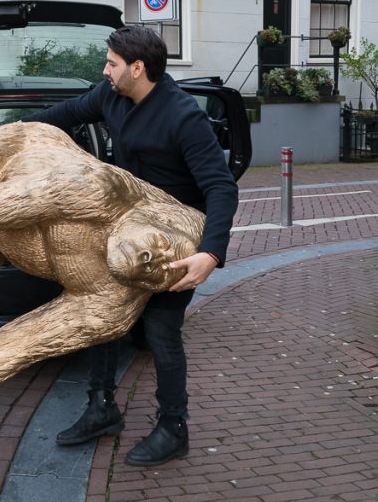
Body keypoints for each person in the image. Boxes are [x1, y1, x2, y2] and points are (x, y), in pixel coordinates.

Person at [24, 24, 238, 466]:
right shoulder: (109, 97)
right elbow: (59, 116)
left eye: (112, 64)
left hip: (175, 237)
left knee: (161, 331)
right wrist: (8, 142)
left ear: (137, 69)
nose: (105, 70)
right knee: (101, 314)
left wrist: (210, 254)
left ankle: (173, 427)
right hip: (126, 227)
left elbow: (220, 187)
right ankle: (101, 407)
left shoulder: (184, 116)